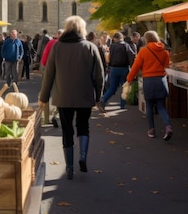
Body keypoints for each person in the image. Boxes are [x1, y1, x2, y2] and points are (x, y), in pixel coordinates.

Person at [38, 15, 104, 179]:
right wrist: (98, 96)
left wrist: (44, 97)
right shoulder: (90, 47)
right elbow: (99, 75)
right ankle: (82, 156)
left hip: (63, 97)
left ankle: (69, 167)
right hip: (84, 95)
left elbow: (49, 74)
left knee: (67, 130)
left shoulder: (57, 47)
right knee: (83, 126)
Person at [125, 30, 172, 140]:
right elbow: (167, 66)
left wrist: (129, 79)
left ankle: (151, 130)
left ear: (146, 39)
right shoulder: (164, 52)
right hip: (161, 80)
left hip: (149, 81)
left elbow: (135, 67)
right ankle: (168, 126)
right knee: (161, 106)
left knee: (149, 106)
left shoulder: (143, 51)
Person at [97, 32, 136, 111]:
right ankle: (122, 105)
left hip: (113, 69)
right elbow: (132, 55)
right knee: (125, 87)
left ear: (115, 38)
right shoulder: (126, 45)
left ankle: (103, 101)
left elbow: (109, 56)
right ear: (122, 38)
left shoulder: (112, 46)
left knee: (112, 87)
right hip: (124, 68)